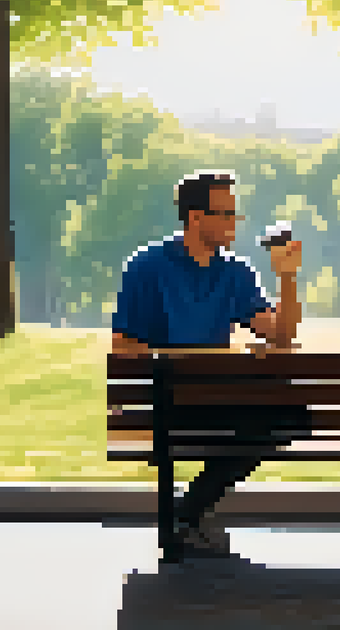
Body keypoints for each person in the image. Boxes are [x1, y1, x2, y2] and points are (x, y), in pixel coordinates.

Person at [111, 169, 310, 560]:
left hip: (212, 399)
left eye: (235, 214)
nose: (234, 223)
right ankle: (191, 514)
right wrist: (189, 360)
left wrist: (287, 278)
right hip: (166, 401)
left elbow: (281, 336)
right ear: (195, 218)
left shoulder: (235, 272)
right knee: (268, 417)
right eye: (225, 214)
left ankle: (188, 512)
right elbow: (123, 345)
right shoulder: (148, 266)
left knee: (292, 414)